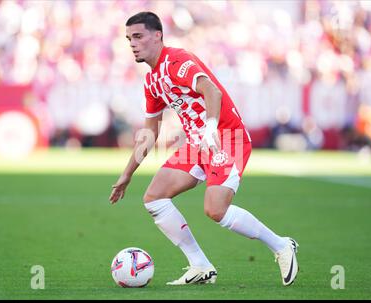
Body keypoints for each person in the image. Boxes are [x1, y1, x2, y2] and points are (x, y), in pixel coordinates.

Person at [109, 11, 299, 286]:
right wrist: (127, 173)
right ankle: (199, 265)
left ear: (157, 35)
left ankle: (281, 245)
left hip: (226, 136)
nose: (133, 44)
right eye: (129, 39)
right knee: (154, 197)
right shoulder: (151, 81)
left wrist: (210, 127)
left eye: (138, 36)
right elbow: (150, 133)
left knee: (215, 210)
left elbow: (213, 92)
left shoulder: (178, 60)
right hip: (198, 144)